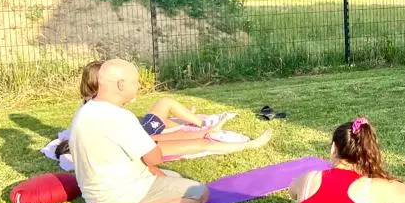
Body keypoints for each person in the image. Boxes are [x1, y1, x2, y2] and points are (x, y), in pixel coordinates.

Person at [69, 59, 211, 203]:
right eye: (135, 82)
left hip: (94, 196)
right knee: (199, 193)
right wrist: (152, 142)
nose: (138, 86)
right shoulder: (120, 117)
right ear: (121, 85)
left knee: (175, 177)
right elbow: (154, 159)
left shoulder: (84, 111)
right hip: (122, 195)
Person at [60, 61, 268, 162]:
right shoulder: (103, 115)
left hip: (137, 145)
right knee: (197, 141)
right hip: (138, 149)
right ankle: (244, 142)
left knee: (194, 138)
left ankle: (203, 129)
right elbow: (151, 156)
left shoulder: (92, 111)